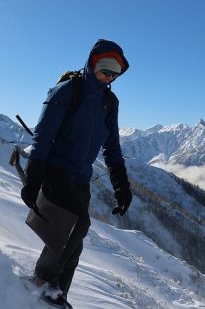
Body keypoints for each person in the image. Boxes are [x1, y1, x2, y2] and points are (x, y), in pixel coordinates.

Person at [20, 39, 132, 308]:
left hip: (81, 178)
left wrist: (121, 186)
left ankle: (57, 295)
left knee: (73, 242)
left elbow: (112, 147)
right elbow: (42, 137)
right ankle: (42, 281)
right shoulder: (67, 91)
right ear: (93, 64)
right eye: (106, 71)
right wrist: (33, 179)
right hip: (55, 170)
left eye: (115, 74)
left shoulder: (109, 102)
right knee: (78, 224)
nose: (110, 78)